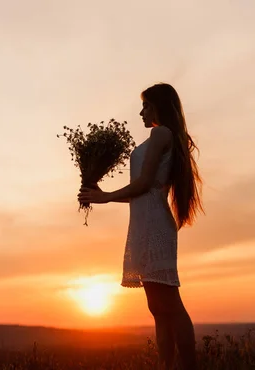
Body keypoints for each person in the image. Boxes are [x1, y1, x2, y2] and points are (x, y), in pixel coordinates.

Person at [78, 82, 204, 369]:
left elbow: (145, 184)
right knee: (157, 308)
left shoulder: (161, 133)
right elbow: (142, 193)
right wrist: (101, 195)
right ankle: (165, 365)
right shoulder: (160, 136)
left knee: (170, 303)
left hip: (154, 225)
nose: (141, 111)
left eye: (146, 105)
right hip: (144, 222)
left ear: (160, 105)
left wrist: (106, 197)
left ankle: (188, 366)